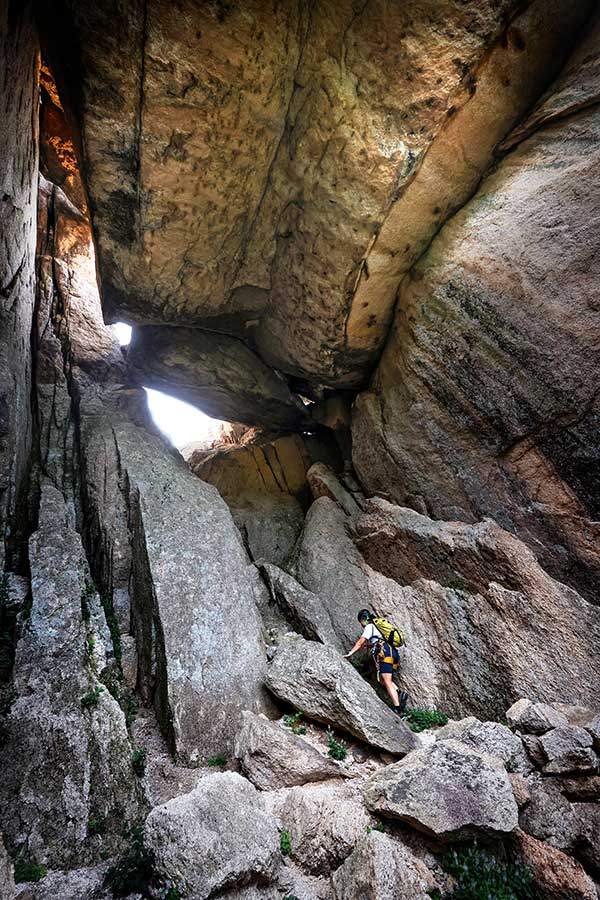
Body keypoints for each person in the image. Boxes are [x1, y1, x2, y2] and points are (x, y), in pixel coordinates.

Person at [345, 609, 408, 715]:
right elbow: (377, 640)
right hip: (392, 653)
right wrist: (369, 646)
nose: (361, 625)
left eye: (361, 622)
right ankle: (399, 693)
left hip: (385, 654)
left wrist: (351, 653)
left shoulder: (370, 626)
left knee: (387, 681)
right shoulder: (377, 627)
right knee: (383, 680)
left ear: (363, 619)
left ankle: (398, 709)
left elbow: (361, 641)